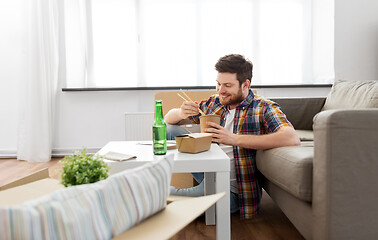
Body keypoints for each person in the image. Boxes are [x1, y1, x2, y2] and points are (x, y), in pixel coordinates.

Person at [164, 54, 300, 219]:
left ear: (245, 84)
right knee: (169, 130)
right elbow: (167, 120)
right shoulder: (215, 103)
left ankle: (146, 193)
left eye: (227, 85)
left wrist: (234, 139)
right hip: (208, 173)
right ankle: (164, 192)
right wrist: (180, 112)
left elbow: (291, 138)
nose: (221, 90)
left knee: (170, 198)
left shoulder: (263, 107)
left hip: (233, 192)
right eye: (218, 84)